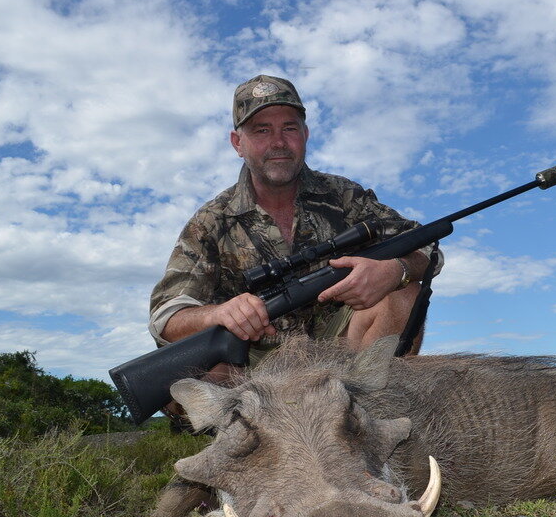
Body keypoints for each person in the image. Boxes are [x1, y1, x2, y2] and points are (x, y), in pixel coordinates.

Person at [149, 75, 441, 391]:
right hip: (254, 370)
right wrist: (218, 314)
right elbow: (166, 317)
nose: (278, 142)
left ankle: (371, 416)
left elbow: (428, 246)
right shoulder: (211, 221)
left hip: (343, 353)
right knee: (191, 366)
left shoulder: (346, 196)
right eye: (262, 130)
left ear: (305, 134)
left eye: (289, 128)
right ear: (238, 143)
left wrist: (395, 270)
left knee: (403, 293)